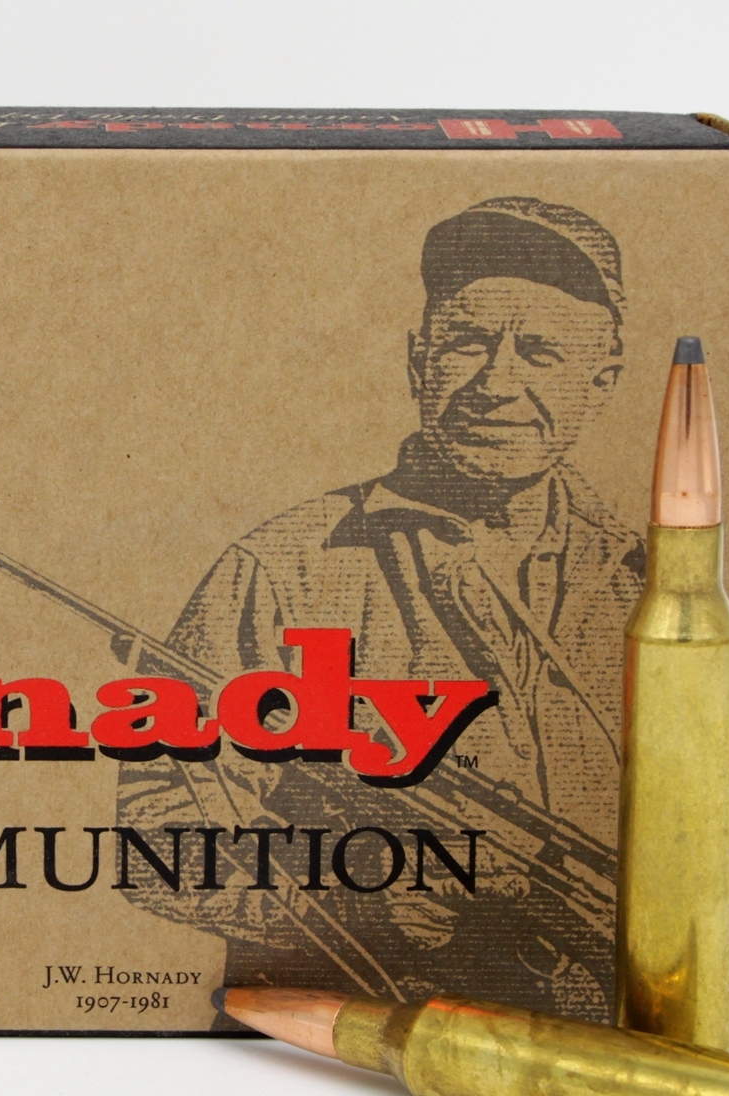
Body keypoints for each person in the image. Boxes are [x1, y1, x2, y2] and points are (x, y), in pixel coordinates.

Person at [117, 197, 643, 1020]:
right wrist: (359, 886)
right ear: (416, 361)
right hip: (351, 1035)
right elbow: (154, 830)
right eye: (468, 344)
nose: (497, 383)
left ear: (600, 381)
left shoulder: (645, 579)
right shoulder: (286, 566)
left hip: (594, 1034)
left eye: (540, 353)